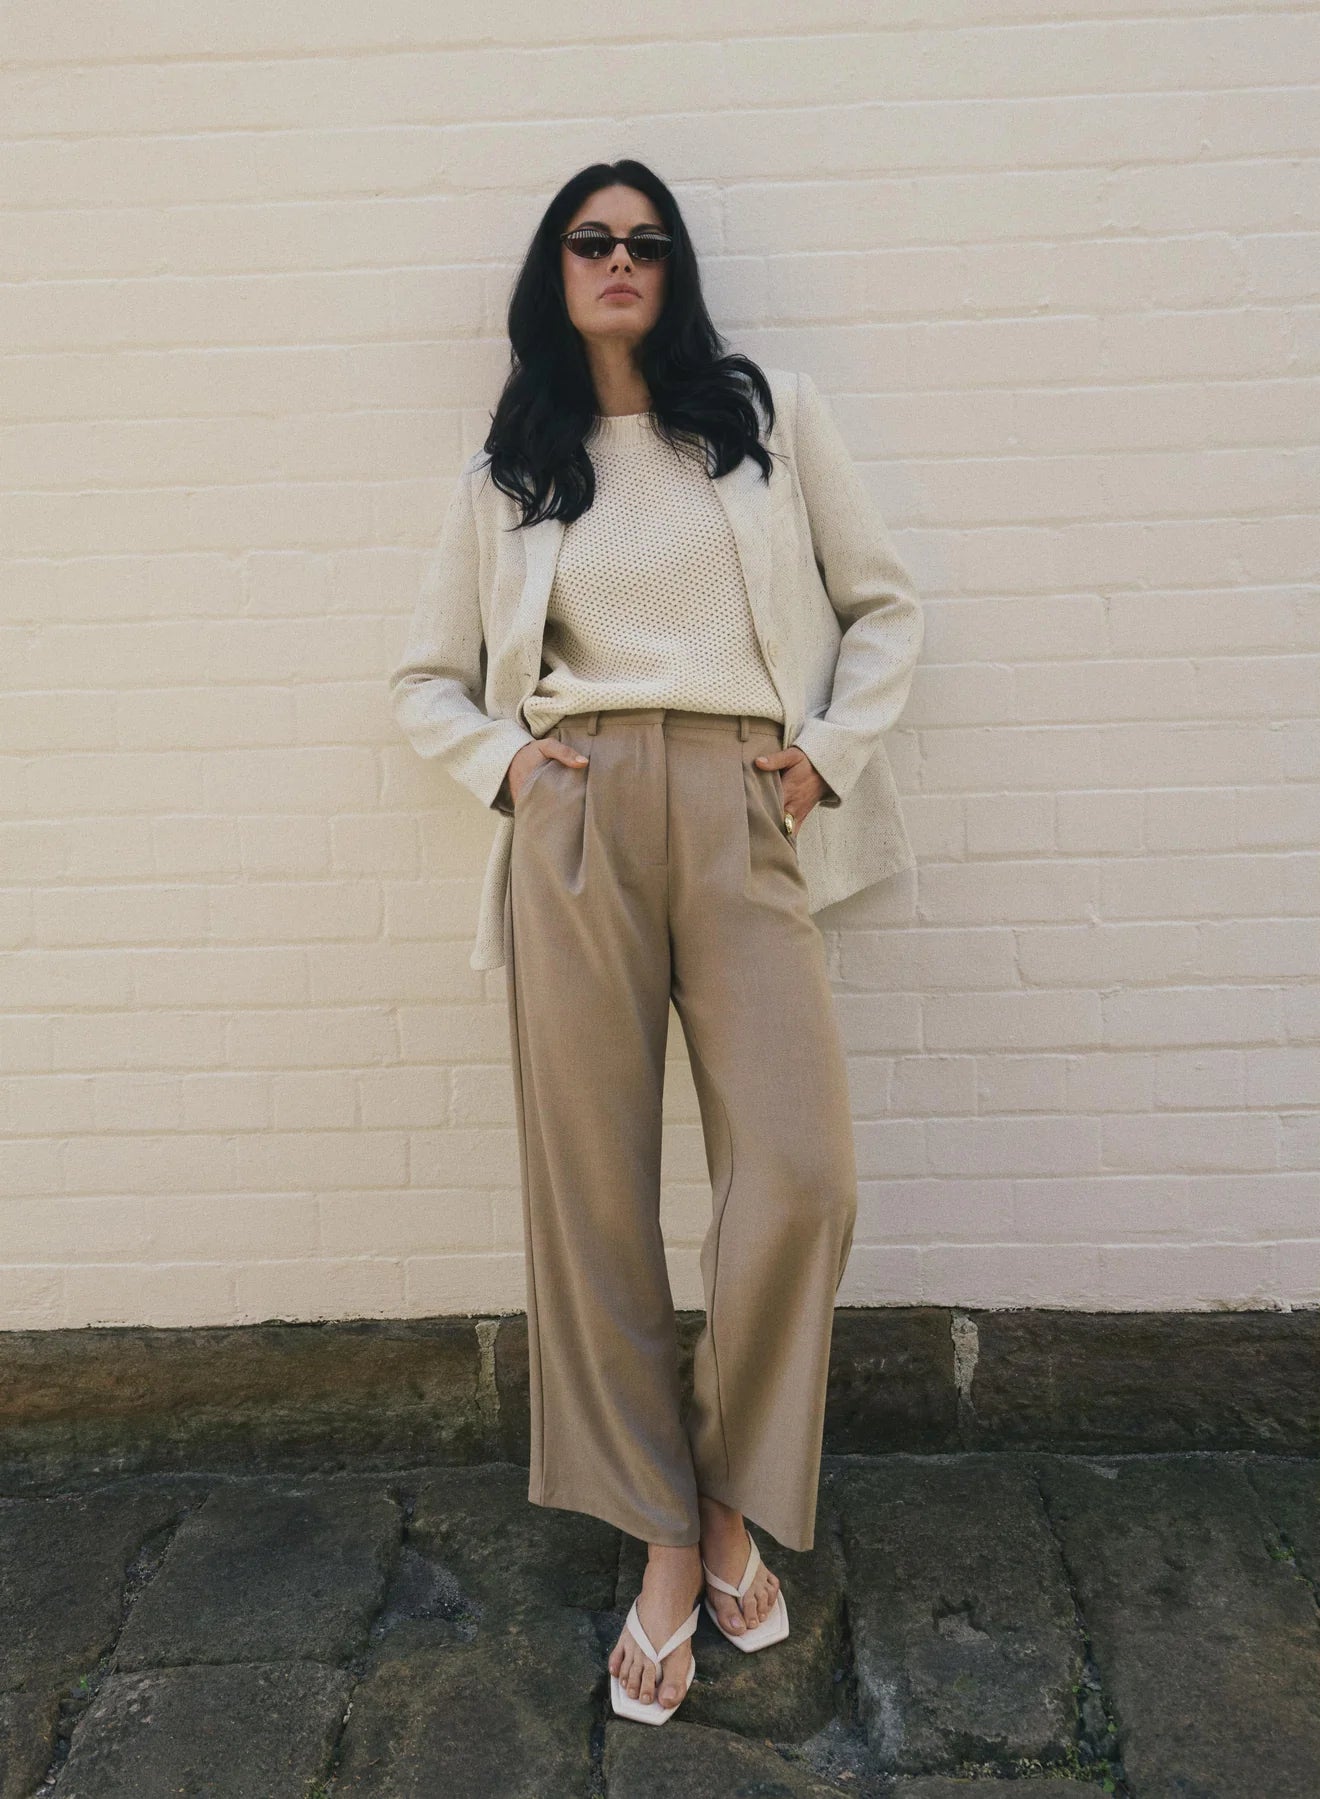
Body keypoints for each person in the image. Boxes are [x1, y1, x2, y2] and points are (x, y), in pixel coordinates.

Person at [389, 158, 923, 1725]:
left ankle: (726, 1491)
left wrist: (824, 756)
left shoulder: (767, 423)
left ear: (675, 268)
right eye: (590, 241)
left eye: (645, 241)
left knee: (802, 1172)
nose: (618, 259)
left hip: (746, 798)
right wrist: (513, 770)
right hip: (579, 813)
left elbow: (885, 607)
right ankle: (672, 1540)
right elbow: (426, 679)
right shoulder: (512, 469)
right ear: (556, 274)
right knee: (594, 1198)